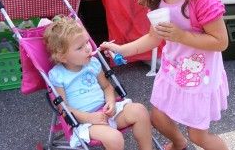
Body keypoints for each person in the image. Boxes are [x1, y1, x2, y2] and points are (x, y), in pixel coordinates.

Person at [100, 0, 229, 150]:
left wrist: (181, 36)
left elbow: (221, 42)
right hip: (173, 71)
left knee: (199, 136)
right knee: (158, 117)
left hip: (199, 78)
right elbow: (152, 38)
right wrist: (120, 49)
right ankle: (179, 143)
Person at [43, 17, 153, 150]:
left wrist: (111, 101)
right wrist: (89, 118)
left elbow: (106, 86)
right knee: (115, 138)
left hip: (106, 112)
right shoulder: (58, 75)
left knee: (140, 111)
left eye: (87, 43)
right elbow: (64, 108)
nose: (88, 49)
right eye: (80, 47)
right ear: (62, 57)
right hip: (85, 123)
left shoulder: (93, 64)